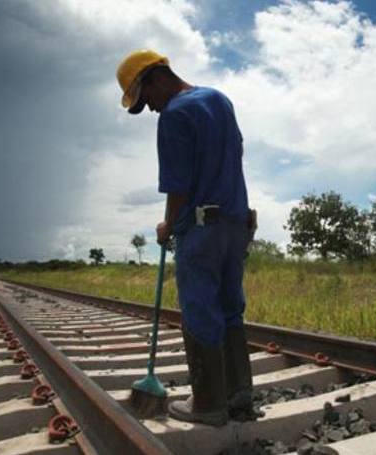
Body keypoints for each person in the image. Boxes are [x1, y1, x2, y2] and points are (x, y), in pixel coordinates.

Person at [116, 49, 258, 426]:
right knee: (230, 306)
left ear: (155, 78)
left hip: (202, 228)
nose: (149, 109)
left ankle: (209, 405)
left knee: (199, 309)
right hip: (235, 224)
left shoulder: (175, 115)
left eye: (144, 99)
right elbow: (235, 156)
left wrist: (168, 225)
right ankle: (239, 397)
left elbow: (177, 185)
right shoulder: (219, 100)